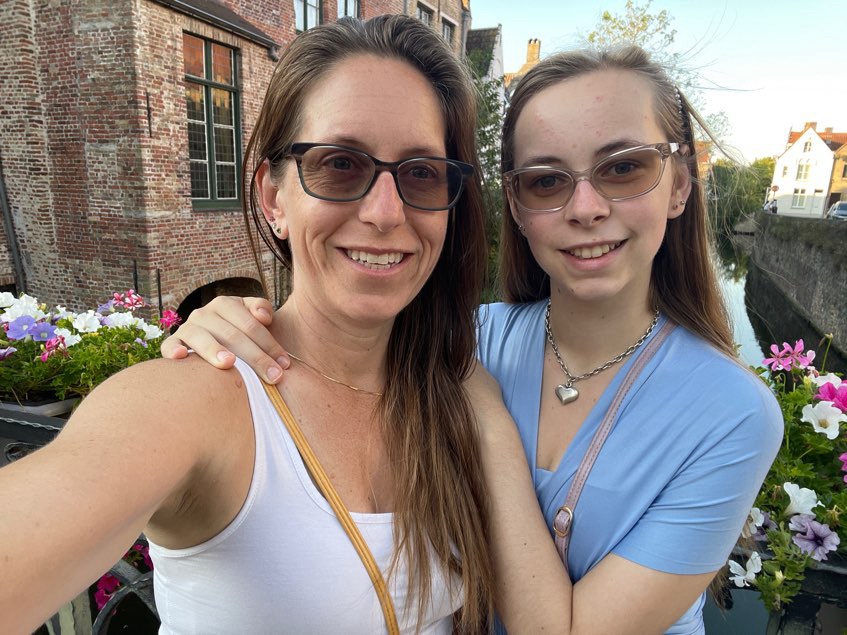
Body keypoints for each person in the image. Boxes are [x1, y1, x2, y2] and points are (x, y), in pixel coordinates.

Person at [163, 44, 784, 634]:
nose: (586, 207)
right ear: (515, 205)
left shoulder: (731, 413)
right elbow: (330, 347)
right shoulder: (465, 337)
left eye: (624, 168)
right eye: (546, 180)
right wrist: (229, 324)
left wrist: (487, 420)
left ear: (680, 184)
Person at [0, 15, 497, 633]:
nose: (385, 212)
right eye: (341, 164)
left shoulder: (452, 390)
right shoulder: (198, 398)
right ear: (273, 198)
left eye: (421, 172)